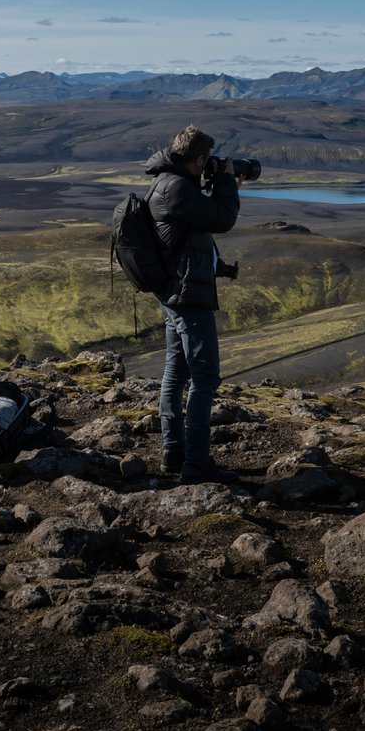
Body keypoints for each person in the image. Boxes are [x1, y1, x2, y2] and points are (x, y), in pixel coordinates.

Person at [144, 124, 243, 485]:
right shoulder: (178, 189)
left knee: (177, 372)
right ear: (199, 159)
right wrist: (228, 182)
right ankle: (197, 463)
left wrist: (213, 182)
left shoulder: (166, 181)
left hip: (174, 292)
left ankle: (174, 452)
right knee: (204, 376)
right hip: (188, 296)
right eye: (206, 162)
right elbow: (222, 219)